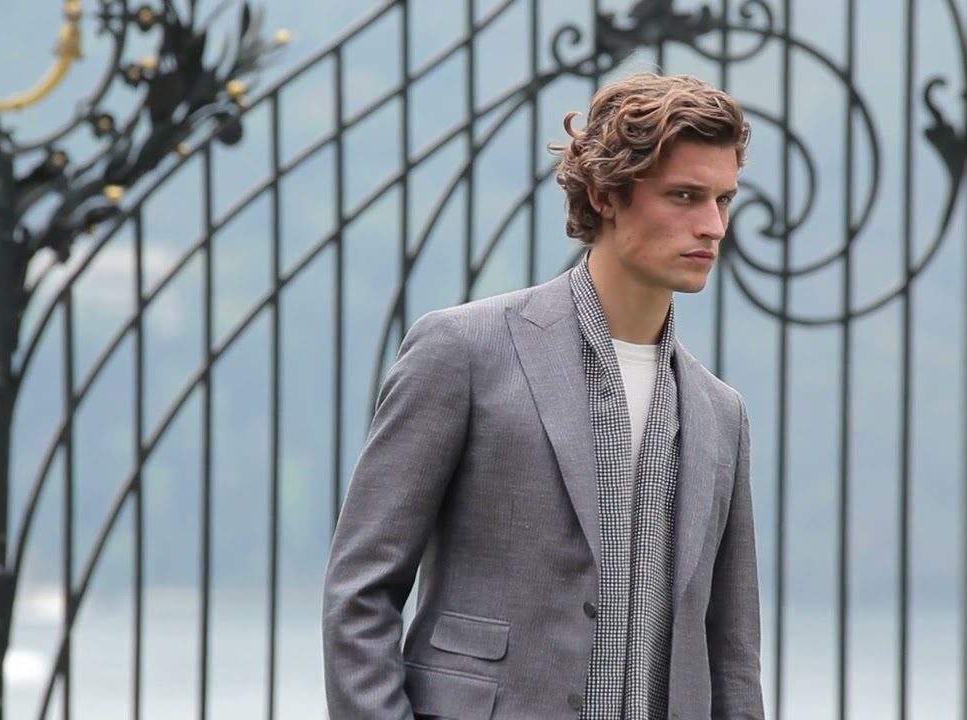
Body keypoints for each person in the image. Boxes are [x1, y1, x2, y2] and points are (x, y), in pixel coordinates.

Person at [321, 71, 763, 719]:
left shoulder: (721, 413)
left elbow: (733, 655)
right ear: (605, 194)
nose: (713, 225)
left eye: (723, 200)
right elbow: (360, 593)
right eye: (685, 196)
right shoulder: (463, 351)